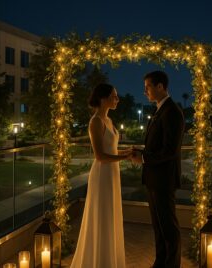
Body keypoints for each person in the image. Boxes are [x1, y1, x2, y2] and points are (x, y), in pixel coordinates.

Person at [70, 83, 132, 268]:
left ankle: (109, 260)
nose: (117, 99)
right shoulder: (96, 121)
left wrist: (126, 151)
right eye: (114, 96)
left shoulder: (109, 121)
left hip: (112, 173)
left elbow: (111, 149)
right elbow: (100, 155)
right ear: (103, 98)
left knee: (110, 215)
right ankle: (98, 261)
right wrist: (125, 157)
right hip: (102, 174)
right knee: (101, 216)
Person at [132, 71, 185, 268]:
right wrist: (139, 151)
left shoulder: (172, 111)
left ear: (160, 86)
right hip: (155, 179)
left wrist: (143, 157)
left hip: (163, 180)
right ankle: (160, 262)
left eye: (148, 87)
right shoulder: (160, 110)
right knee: (159, 227)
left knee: (168, 228)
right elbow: (156, 145)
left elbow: (170, 151)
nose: (145, 91)